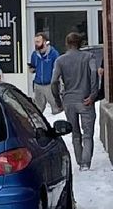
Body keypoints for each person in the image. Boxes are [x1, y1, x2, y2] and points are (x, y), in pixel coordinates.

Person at [52, 29, 102, 169]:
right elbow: (94, 74)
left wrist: (58, 100)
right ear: (80, 43)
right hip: (85, 99)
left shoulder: (60, 60)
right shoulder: (89, 57)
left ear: (67, 44)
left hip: (69, 100)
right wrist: (93, 94)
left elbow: (53, 82)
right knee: (88, 133)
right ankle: (85, 163)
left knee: (75, 133)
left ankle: (80, 160)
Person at [29, 32, 61, 115]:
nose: (36, 44)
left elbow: (58, 69)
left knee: (56, 109)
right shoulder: (34, 54)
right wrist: (31, 69)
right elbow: (33, 67)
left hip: (50, 84)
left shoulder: (54, 54)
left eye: (38, 42)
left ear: (45, 42)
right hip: (38, 84)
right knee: (37, 110)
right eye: (35, 42)